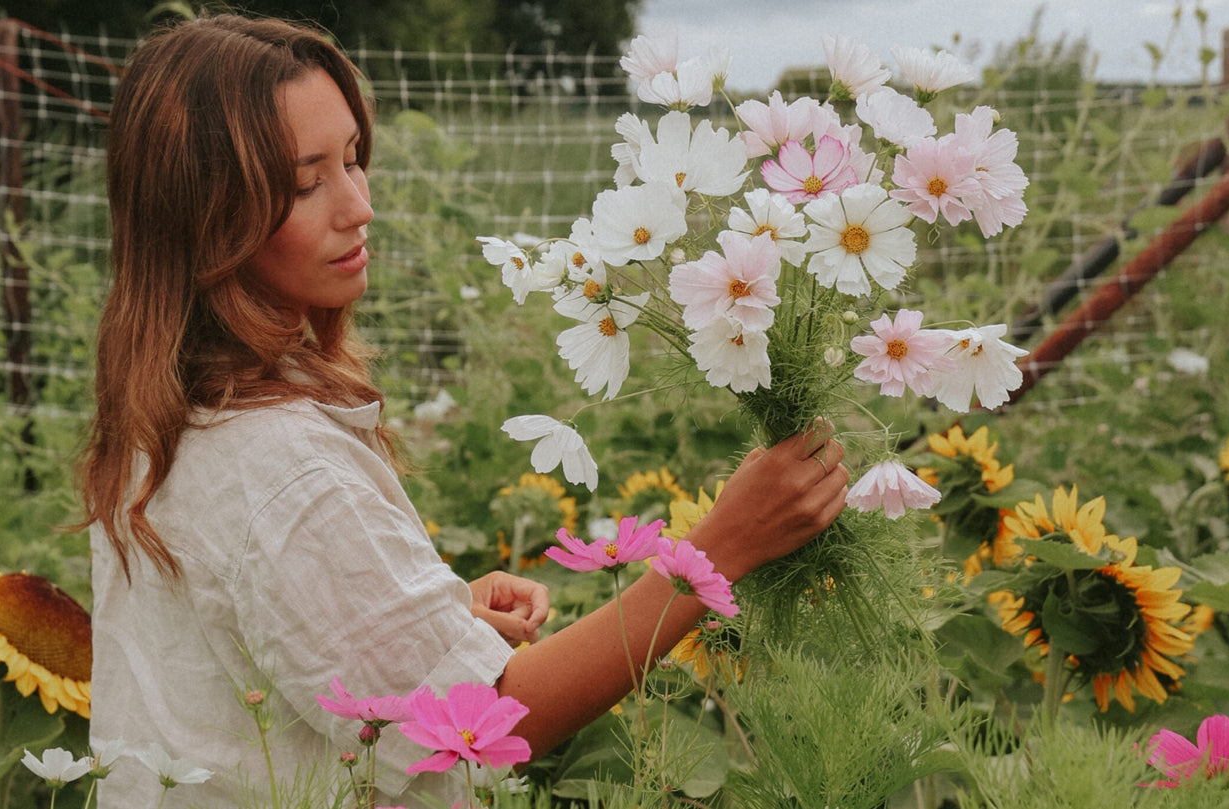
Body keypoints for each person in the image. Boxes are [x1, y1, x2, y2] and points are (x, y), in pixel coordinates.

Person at [79, 13, 849, 808]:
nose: (358, 206)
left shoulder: (171, 413)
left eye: (352, 160)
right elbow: (483, 728)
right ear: (206, 215)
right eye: (306, 183)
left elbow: (240, 637)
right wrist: (717, 550)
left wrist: (411, 617)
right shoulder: (287, 472)